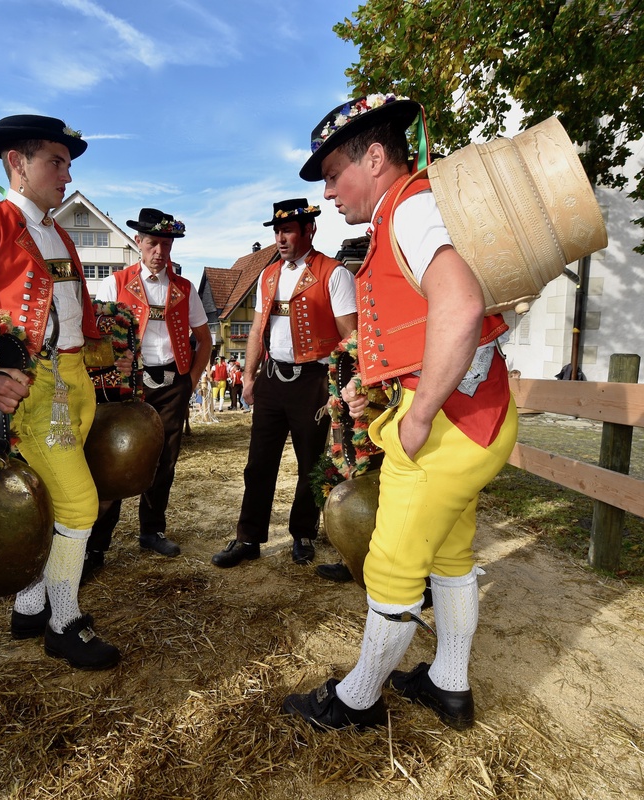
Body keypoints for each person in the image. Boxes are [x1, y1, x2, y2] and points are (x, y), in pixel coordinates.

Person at [281, 94, 518, 731]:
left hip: (449, 424)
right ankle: (449, 684)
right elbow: (420, 324)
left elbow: (461, 305)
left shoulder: (409, 209)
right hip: (476, 414)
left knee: (391, 563)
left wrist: (419, 413)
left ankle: (356, 701)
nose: (328, 193)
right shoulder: (405, 210)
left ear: (377, 156)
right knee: (450, 554)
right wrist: (379, 384)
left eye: (333, 175)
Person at [0, 114, 121, 670]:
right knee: (80, 506)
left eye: (67, 163)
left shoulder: (58, 233)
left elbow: (73, 312)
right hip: (32, 392)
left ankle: (29, 605)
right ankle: (64, 622)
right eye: (55, 162)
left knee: (52, 499)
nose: (66, 175)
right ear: (16, 163)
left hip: (75, 383)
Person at [211, 199, 357, 568]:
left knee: (311, 462)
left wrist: (347, 383)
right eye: (277, 231)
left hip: (314, 381)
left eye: (288, 230)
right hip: (272, 378)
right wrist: (248, 375)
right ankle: (248, 538)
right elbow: (258, 327)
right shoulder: (267, 274)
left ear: (310, 230)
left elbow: (351, 336)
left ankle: (303, 533)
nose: (280, 238)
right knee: (258, 463)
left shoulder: (334, 273)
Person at [82, 208, 212, 576]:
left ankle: (152, 531)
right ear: (138, 242)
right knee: (114, 460)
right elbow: (95, 337)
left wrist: (193, 379)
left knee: (164, 462)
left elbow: (204, 339)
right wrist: (109, 368)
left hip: (173, 384)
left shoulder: (185, 289)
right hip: (126, 388)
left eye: (166, 244)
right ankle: (97, 544)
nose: (160, 251)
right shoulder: (115, 282)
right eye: (153, 242)